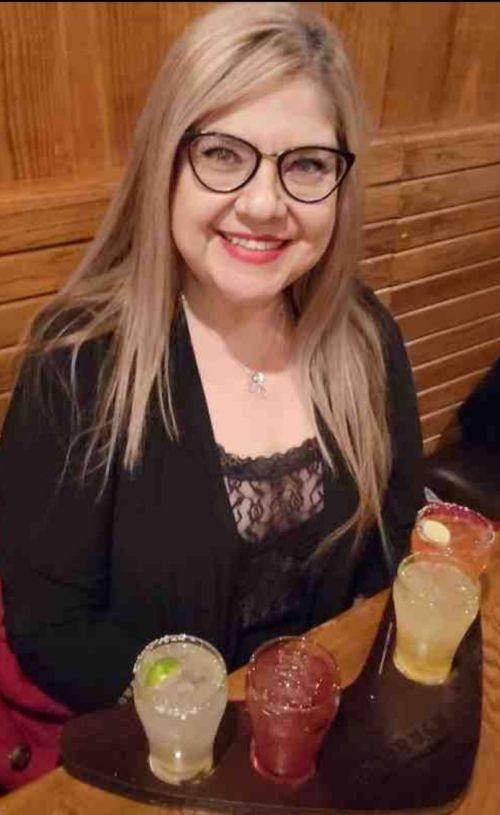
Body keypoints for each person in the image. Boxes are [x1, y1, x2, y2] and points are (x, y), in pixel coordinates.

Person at [0, 1, 423, 718]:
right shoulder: (77, 363)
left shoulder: (365, 335)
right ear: (165, 163)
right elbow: (52, 627)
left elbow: (393, 550)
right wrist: (211, 723)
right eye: (223, 154)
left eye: (306, 164)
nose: (263, 204)